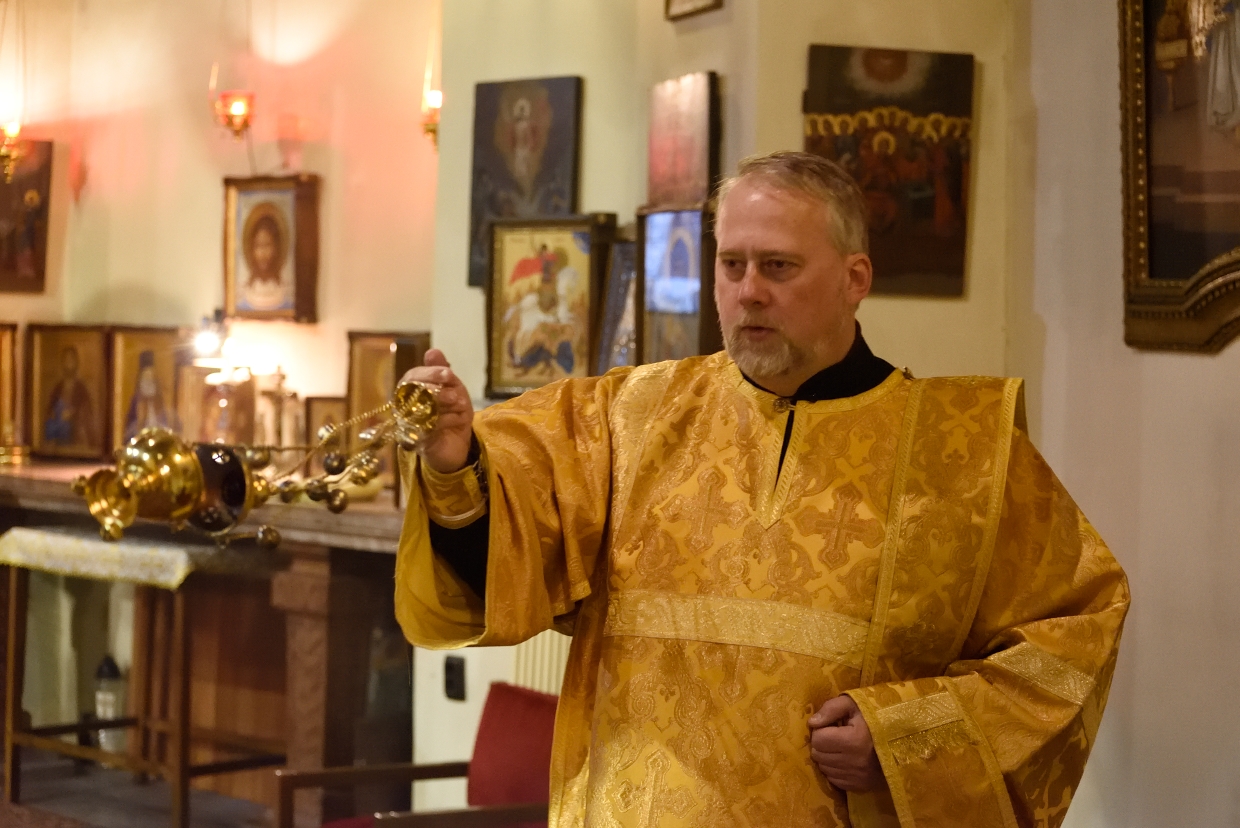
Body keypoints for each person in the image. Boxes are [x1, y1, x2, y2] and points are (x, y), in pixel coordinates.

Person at [395, 151, 1128, 828]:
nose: (749, 292)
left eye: (778, 266)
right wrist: (455, 465)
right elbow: (507, 550)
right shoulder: (627, 417)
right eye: (732, 264)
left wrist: (906, 737)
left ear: (855, 279)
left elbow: (1073, 635)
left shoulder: (966, 451)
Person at [43, 344, 96, 449]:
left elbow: (87, 412)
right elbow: (50, 409)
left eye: (71, 360)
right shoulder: (58, 387)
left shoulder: (81, 388)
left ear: (76, 362)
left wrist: (72, 414)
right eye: (66, 360)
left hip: (75, 430)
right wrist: (56, 415)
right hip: (58, 429)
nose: (69, 363)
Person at [123, 349, 169, 441]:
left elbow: (165, 426)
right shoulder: (136, 402)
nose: (148, 385)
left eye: (151, 381)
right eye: (145, 381)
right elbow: (129, 431)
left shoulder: (159, 403)